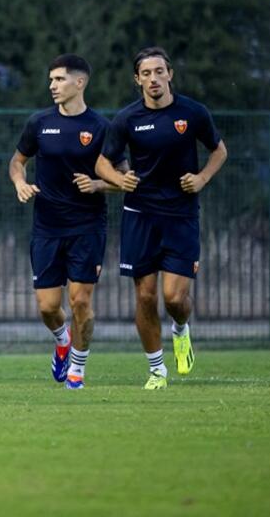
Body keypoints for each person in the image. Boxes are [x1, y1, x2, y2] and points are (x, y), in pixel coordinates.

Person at [95, 47, 227, 390]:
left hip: (181, 215)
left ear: (170, 75)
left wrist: (202, 178)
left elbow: (219, 150)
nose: (153, 79)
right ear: (137, 80)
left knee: (174, 299)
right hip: (140, 215)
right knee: (145, 296)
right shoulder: (126, 119)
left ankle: (181, 330)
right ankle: (157, 370)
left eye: (159, 71)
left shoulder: (193, 112)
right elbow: (102, 163)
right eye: (146, 73)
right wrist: (119, 179)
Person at [10, 54, 120, 390]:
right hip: (47, 227)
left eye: (59, 79)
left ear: (80, 82)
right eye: (51, 80)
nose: (53, 86)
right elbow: (17, 161)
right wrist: (20, 183)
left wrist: (98, 184)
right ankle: (62, 340)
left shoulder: (101, 127)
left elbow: (123, 178)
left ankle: (77, 369)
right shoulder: (39, 123)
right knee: (48, 307)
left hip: (87, 226)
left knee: (80, 301)